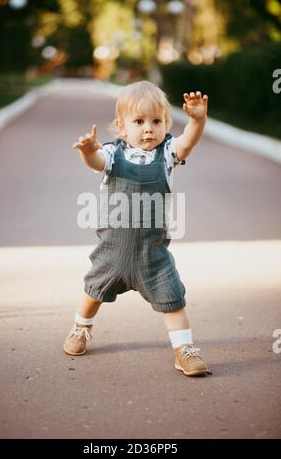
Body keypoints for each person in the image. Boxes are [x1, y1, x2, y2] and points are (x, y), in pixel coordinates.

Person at [64, 80, 211, 377]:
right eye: (140, 121)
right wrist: (88, 150)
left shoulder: (168, 154)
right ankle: (81, 328)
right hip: (112, 252)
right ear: (122, 126)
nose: (149, 129)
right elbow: (96, 162)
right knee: (94, 291)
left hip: (152, 255)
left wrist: (198, 120)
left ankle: (184, 349)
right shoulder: (112, 154)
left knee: (173, 299)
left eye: (157, 121)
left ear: (166, 123)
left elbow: (187, 142)